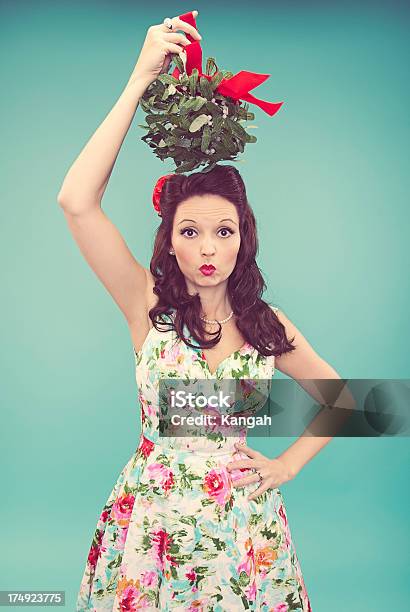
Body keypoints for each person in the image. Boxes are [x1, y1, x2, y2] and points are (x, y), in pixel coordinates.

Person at [58, 10, 340, 611]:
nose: (207, 248)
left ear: (245, 238)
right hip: (151, 525)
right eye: (189, 231)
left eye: (223, 231)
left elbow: (347, 399)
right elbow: (76, 201)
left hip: (243, 531)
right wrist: (138, 81)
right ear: (169, 239)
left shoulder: (269, 327)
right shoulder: (146, 305)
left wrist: (286, 465)